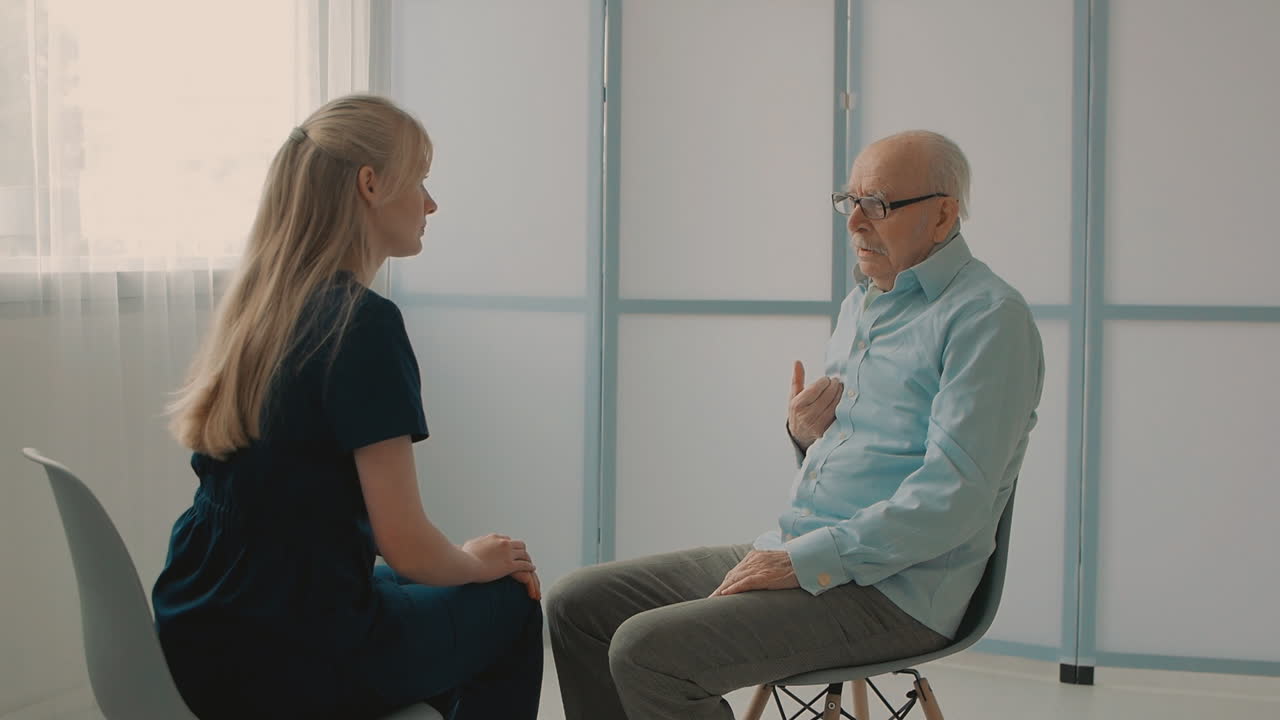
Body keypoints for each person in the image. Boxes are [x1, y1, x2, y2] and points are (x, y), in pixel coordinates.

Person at [546, 130, 1045, 720]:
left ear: (943, 215)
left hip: (894, 590)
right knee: (579, 603)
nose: (855, 222)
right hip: (807, 548)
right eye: (849, 201)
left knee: (646, 651)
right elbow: (857, 455)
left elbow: (953, 501)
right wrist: (806, 436)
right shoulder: (864, 302)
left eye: (878, 205)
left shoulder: (988, 319)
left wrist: (802, 562)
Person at [153, 94, 543, 720]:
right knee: (510, 599)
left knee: (415, 595)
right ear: (370, 184)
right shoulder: (361, 325)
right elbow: (406, 544)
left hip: (199, 633)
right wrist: (474, 561)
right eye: (420, 181)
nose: (431, 203)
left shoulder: (258, 310)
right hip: (294, 655)